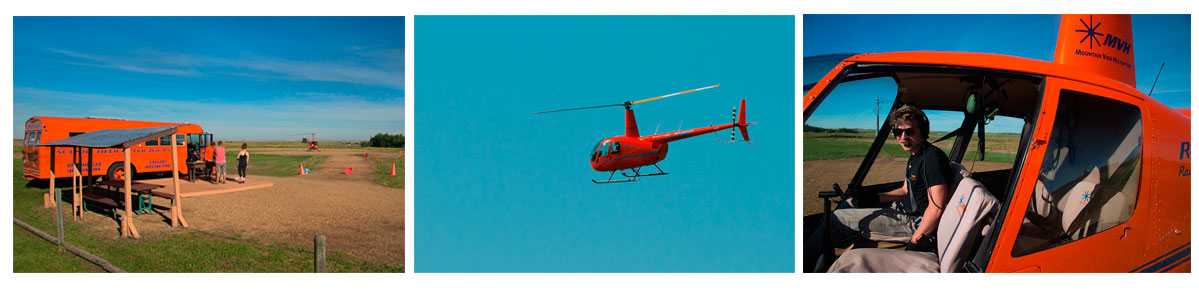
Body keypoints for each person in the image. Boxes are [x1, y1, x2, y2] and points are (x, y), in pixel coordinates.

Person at [804, 104, 952, 272]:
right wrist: (873, 198)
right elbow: (905, 190)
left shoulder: (931, 159)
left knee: (836, 220)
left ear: (923, 131)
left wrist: (915, 242)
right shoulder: (915, 156)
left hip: (914, 222)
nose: (903, 137)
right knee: (849, 205)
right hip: (904, 209)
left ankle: (806, 267)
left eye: (909, 131)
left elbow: (937, 208)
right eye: (898, 132)